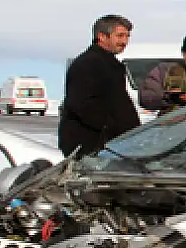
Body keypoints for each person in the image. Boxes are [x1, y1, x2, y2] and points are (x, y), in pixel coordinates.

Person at [58, 14, 141, 158]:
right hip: (90, 145)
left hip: (110, 143)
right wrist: (109, 127)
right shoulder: (88, 64)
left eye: (127, 36)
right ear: (102, 36)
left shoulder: (111, 64)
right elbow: (81, 104)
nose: (124, 41)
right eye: (120, 36)